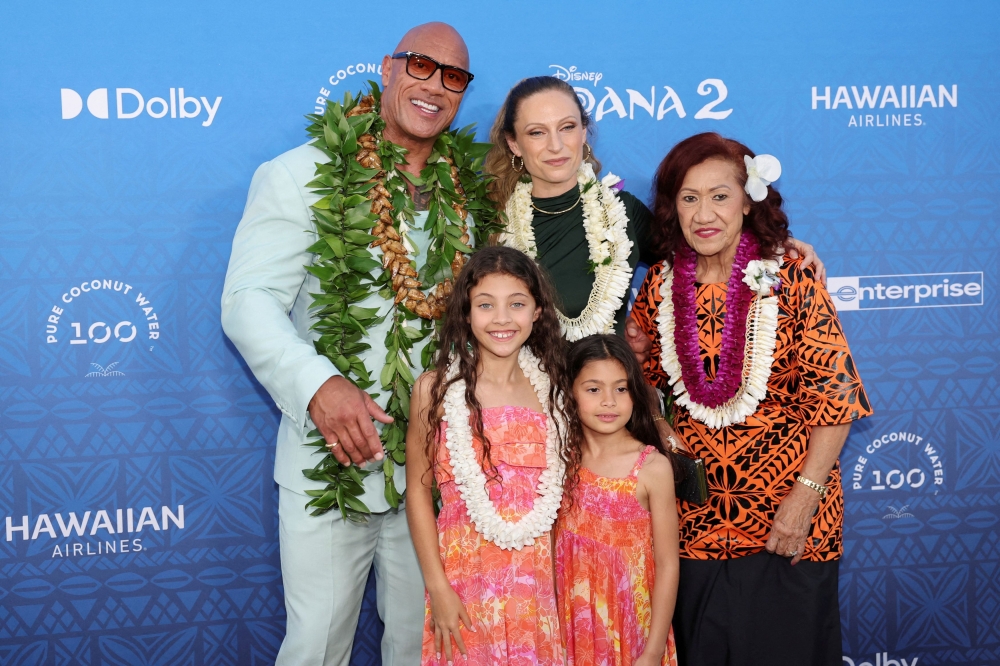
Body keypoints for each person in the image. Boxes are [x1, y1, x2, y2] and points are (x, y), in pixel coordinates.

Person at [220, 22, 489, 666]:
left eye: (453, 76)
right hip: (333, 461)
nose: (434, 86)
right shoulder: (300, 175)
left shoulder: (473, 194)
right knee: (316, 646)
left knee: (426, 647)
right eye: (421, 66)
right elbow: (247, 301)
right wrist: (317, 383)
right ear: (387, 67)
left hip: (438, 470)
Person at [628, 132, 873, 666]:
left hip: (788, 523)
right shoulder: (660, 285)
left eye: (720, 195)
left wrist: (804, 497)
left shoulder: (791, 276)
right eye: (689, 198)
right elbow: (640, 381)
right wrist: (663, 431)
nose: (704, 213)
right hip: (694, 529)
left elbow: (835, 402)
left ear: (748, 198)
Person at [483, 76, 825, 343]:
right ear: (514, 143)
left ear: (584, 132)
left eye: (567, 127)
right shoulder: (490, 221)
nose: (555, 145)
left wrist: (777, 246)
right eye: (537, 132)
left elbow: (700, 243)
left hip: (605, 406)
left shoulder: (620, 212)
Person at [405, 246, 570, 666]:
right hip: (463, 585)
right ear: (465, 313)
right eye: (485, 305)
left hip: (537, 589)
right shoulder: (436, 389)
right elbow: (417, 494)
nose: (501, 318)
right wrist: (438, 588)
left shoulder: (553, 393)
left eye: (516, 304)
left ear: (537, 312)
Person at [557, 334, 679, 666]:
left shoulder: (652, 467)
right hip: (566, 628)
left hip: (631, 634)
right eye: (593, 389)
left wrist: (653, 652)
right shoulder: (558, 458)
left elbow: (668, 565)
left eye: (621, 389)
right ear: (570, 391)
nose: (609, 401)